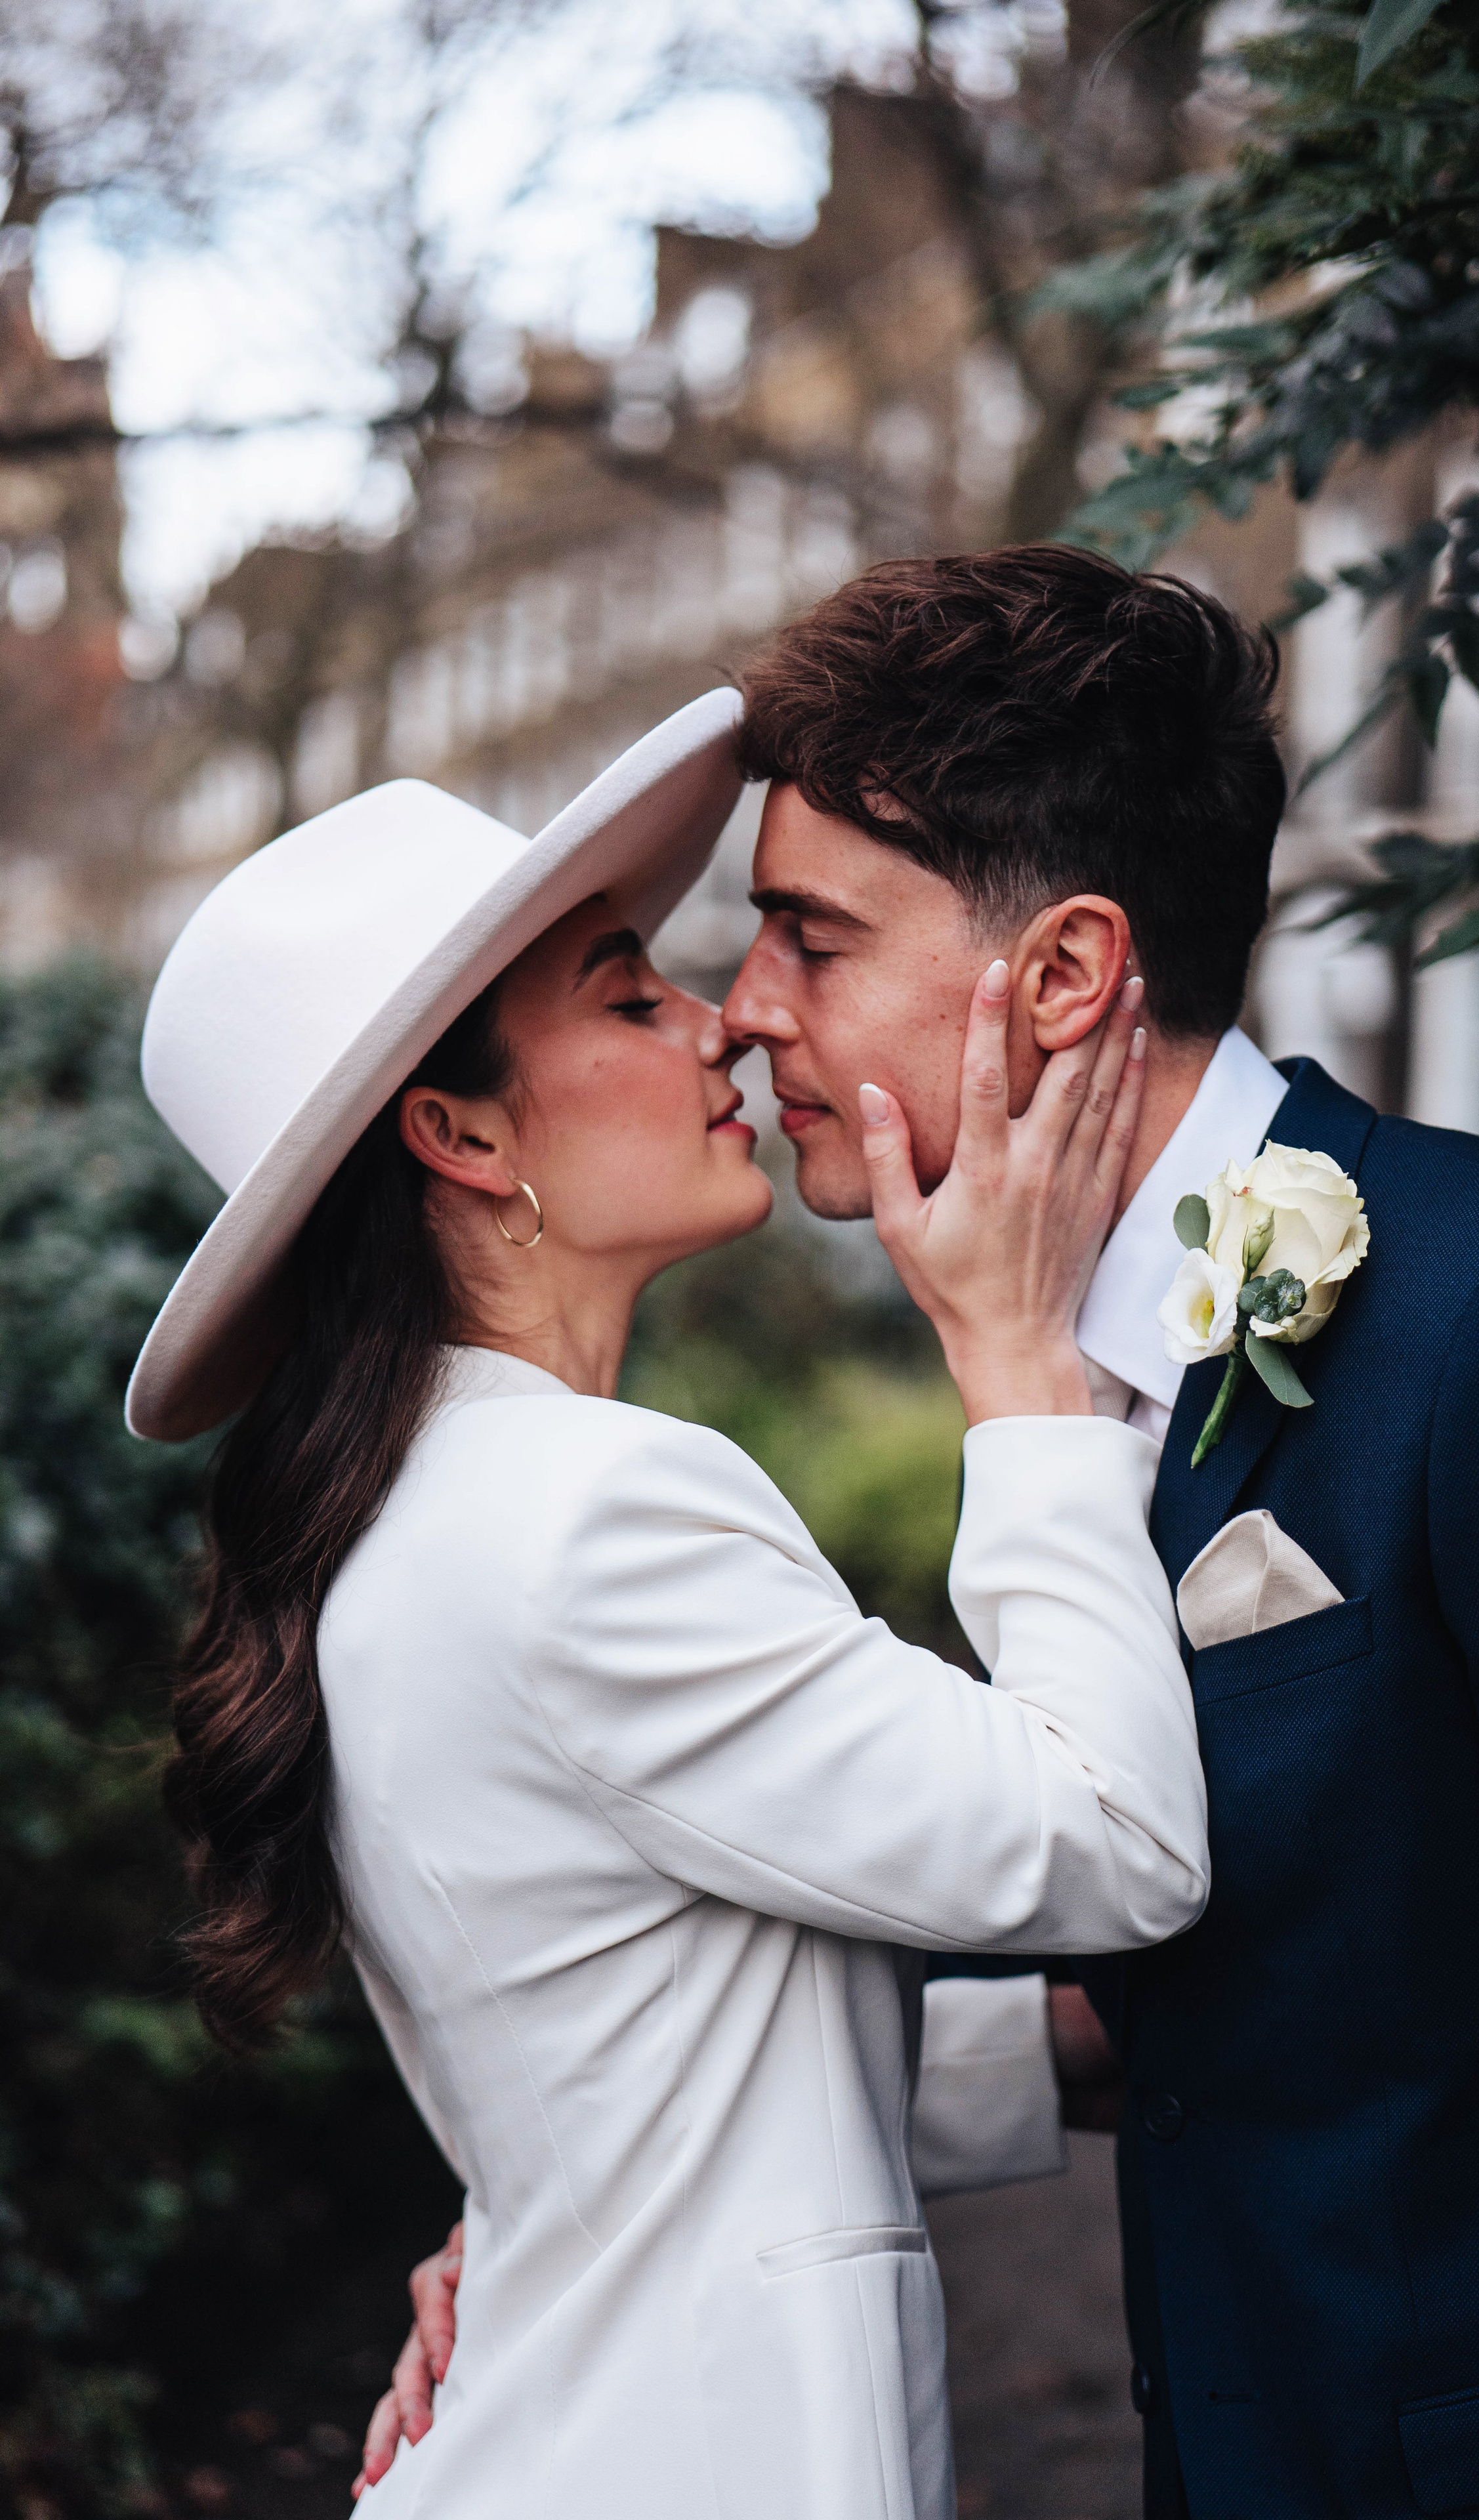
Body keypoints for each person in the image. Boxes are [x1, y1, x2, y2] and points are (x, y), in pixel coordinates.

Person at [376, 547, 1479, 2518]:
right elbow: (1256, 1984)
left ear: (1062, 975)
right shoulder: (1044, 1391)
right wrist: (608, 2187)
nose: (742, 1012)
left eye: (808, 938)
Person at [131, 692, 1211, 2520]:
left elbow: (646, 2065)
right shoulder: (587, 1510)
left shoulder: (428, 1514)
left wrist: (1068, 2049)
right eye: (633, 997)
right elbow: (1117, 1844)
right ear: (464, 1138)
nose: (725, 1025)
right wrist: (1024, 1383)